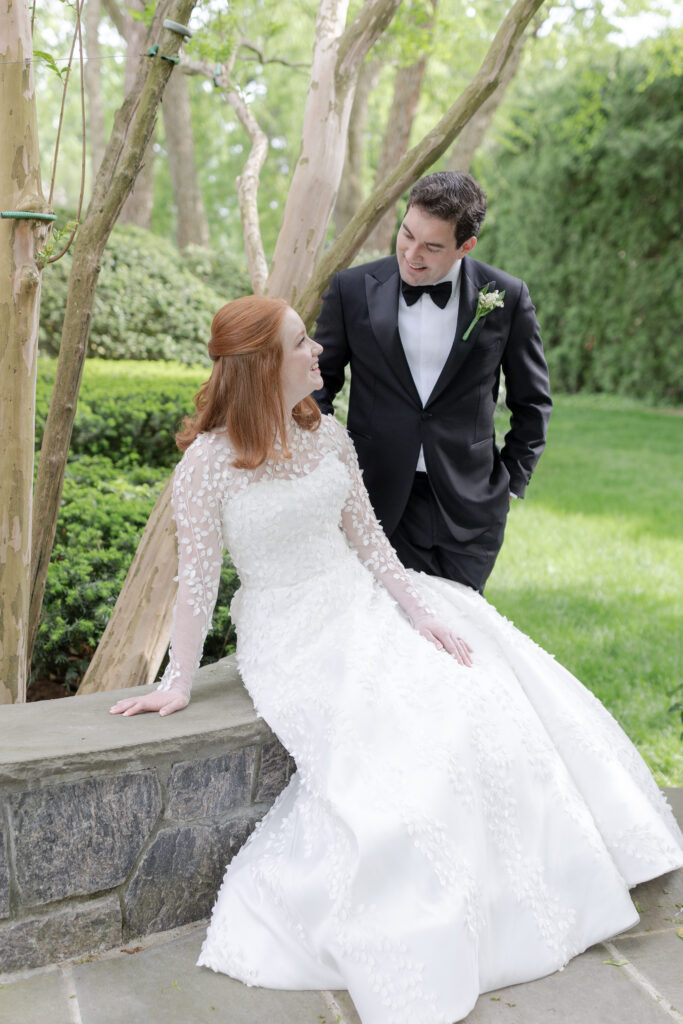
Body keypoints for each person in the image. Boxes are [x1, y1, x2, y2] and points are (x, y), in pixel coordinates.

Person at [110, 295, 682, 1024]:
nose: (317, 352)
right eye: (298, 345)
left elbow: (371, 542)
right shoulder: (207, 465)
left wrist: (419, 612)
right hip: (290, 631)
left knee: (477, 690)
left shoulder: (328, 437)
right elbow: (197, 583)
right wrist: (177, 684)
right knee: (393, 759)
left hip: (365, 601)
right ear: (259, 366)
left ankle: (547, 882)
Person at [314, 171, 552, 593]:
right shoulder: (352, 289)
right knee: (387, 634)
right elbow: (316, 386)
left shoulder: (506, 297)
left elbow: (532, 401)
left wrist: (511, 482)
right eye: (407, 235)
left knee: (459, 637)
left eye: (432, 246)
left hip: (470, 509)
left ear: (466, 246)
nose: (411, 254)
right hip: (374, 498)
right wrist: (328, 465)